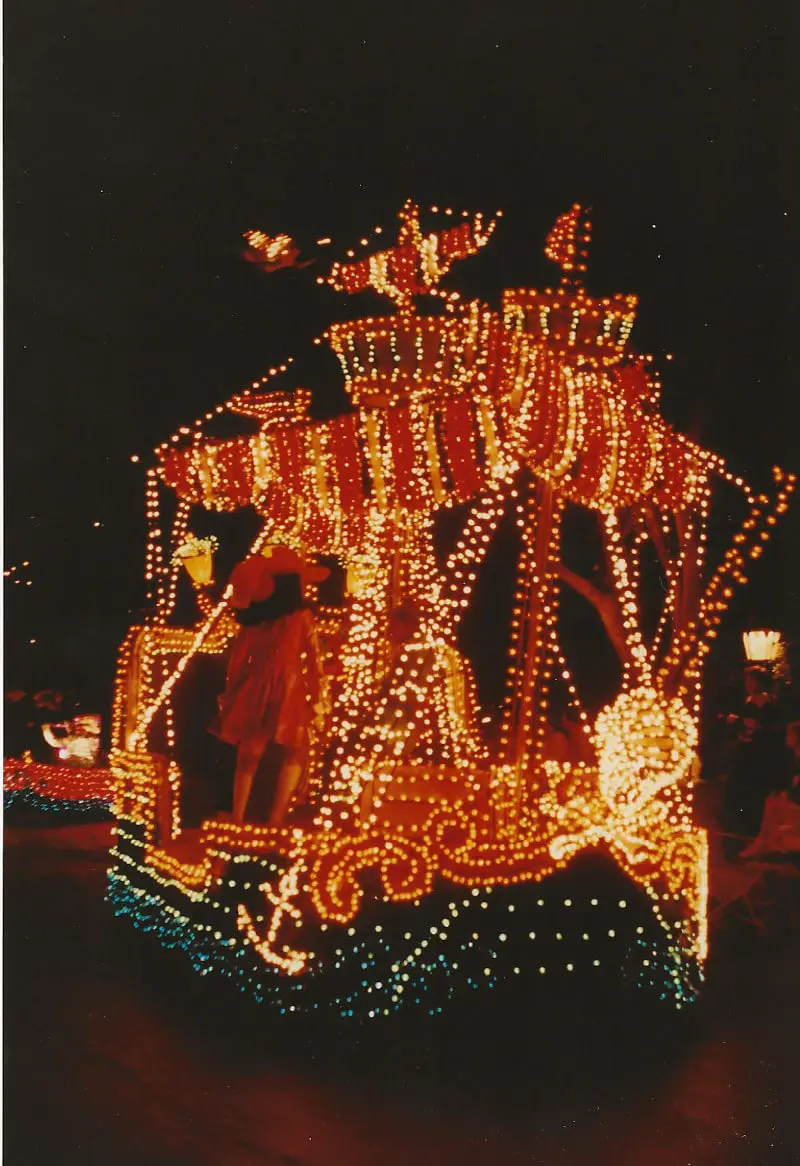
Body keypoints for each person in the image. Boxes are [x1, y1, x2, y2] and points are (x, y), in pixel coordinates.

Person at [211, 544, 328, 825]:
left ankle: (245, 817)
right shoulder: (300, 619)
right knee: (292, 751)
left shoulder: (256, 623)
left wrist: (232, 693)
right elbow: (314, 662)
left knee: (251, 754)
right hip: (287, 689)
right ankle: (271, 818)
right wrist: (319, 696)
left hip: (258, 688)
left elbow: (237, 663)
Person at [721, 667, 784, 854]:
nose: (747, 685)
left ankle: (750, 834)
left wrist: (757, 728)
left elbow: (772, 732)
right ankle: (736, 833)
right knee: (736, 791)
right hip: (744, 753)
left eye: (751, 681)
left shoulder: (769, 706)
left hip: (759, 756)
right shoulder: (747, 703)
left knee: (753, 793)